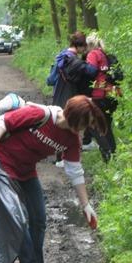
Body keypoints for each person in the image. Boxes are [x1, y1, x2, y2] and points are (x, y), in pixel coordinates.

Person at [0, 95, 107, 263]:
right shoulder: (41, 115)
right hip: (3, 165)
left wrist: (86, 205)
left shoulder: (72, 140)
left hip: (26, 170)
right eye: (84, 123)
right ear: (74, 116)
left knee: (39, 219)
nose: (84, 128)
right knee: (18, 218)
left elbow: (75, 171)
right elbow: (4, 121)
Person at [47, 31, 98, 166]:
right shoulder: (74, 60)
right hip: (68, 94)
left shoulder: (63, 55)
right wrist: (95, 57)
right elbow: (91, 71)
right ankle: (61, 159)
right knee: (66, 125)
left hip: (59, 91)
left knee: (59, 123)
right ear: (80, 46)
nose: (85, 50)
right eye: (84, 47)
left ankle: (60, 158)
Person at [85, 32, 120, 160]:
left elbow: (91, 72)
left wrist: (81, 68)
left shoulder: (93, 54)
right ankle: (113, 153)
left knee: (94, 125)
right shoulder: (106, 54)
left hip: (100, 95)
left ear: (90, 44)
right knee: (107, 126)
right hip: (112, 94)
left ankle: (107, 153)